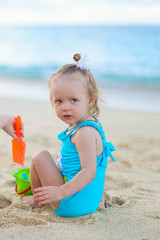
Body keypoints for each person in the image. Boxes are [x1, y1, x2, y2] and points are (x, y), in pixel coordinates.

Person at [26, 53, 115, 217]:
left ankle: (38, 200)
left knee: (40, 157)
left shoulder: (84, 133)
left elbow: (89, 172)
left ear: (90, 100)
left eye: (73, 100)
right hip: (89, 200)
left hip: (70, 203)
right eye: (59, 101)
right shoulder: (91, 124)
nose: (65, 107)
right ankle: (97, 199)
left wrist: (60, 192)